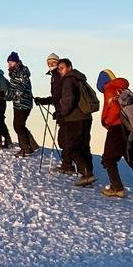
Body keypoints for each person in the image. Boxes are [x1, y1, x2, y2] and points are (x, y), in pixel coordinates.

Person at [39, 57, 97, 186]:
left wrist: (61, 112)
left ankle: (87, 174)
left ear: (69, 68)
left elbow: (68, 99)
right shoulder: (79, 78)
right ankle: (89, 174)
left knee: (71, 147)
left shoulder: (68, 80)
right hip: (86, 117)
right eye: (58, 68)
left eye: (62, 68)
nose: (59, 70)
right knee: (84, 146)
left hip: (74, 118)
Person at [99, 76, 133, 199]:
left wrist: (106, 121)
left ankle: (117, 188)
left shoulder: (109, 89)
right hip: (130, 128)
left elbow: (114, 110)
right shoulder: (125, 90)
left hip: (116, 128)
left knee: (108, 158)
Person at [5, 52, 38, 156]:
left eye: (11, 62)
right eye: (9, 63)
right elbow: (13, 89)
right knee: (19, 125)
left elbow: (20, 88)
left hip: (23, 103)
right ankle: (31, 146)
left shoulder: (20, 72)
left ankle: (26, 148)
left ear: (16, 62)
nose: (9, 65)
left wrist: (10, 95)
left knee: (18, 125)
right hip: (18, 103)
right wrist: (6, 95)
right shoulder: (15, 73)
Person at [41, 53, 68, 171]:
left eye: (53, 63)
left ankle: (68, 164)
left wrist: (48, 100)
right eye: (49, 63)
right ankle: (67, 163)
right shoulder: (54, 76)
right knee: (63, 138)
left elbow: (58, 95)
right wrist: (46, 100)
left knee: (64, 139)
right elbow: (55, 95)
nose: (51, 65)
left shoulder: (58, 76)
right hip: (61, 109)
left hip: (64, 110)